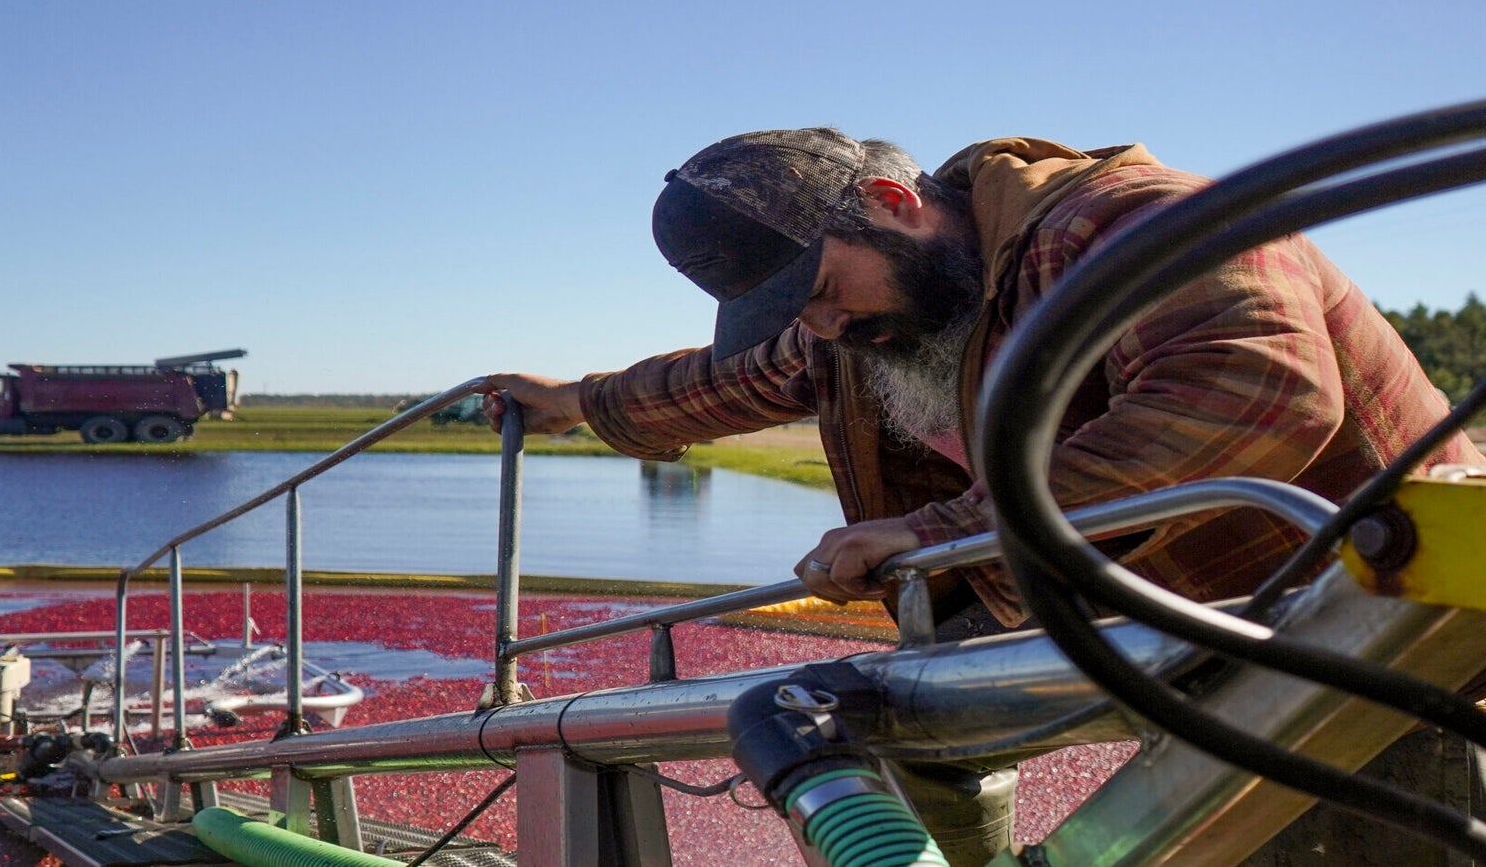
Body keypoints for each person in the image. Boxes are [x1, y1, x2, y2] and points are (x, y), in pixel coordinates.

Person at [478, 128, 1485, 862]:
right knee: (889, 716)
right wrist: (575, 401)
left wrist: (945, 530)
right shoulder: (874, 311)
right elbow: (729, 379)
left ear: (888, 199)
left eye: (821, 292)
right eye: (797, 313)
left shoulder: (1126, 222)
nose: (819, 328)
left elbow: (1255, 389)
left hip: (1366, 630)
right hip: (1164, 628)